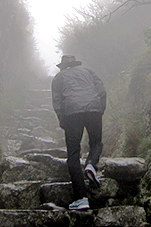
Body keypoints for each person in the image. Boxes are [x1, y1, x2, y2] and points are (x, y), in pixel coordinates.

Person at [51, 55, 107, 210]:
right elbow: (101, 90)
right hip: (94, 109)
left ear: (62, 66)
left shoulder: (58, 78)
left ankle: (81, 198)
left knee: (73, 155)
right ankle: (90, 164)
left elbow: (57, 103)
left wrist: (64, 122)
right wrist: (99, 110)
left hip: (72, 113)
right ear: (76, 63)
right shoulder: (88, 70)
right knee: (96, 143)